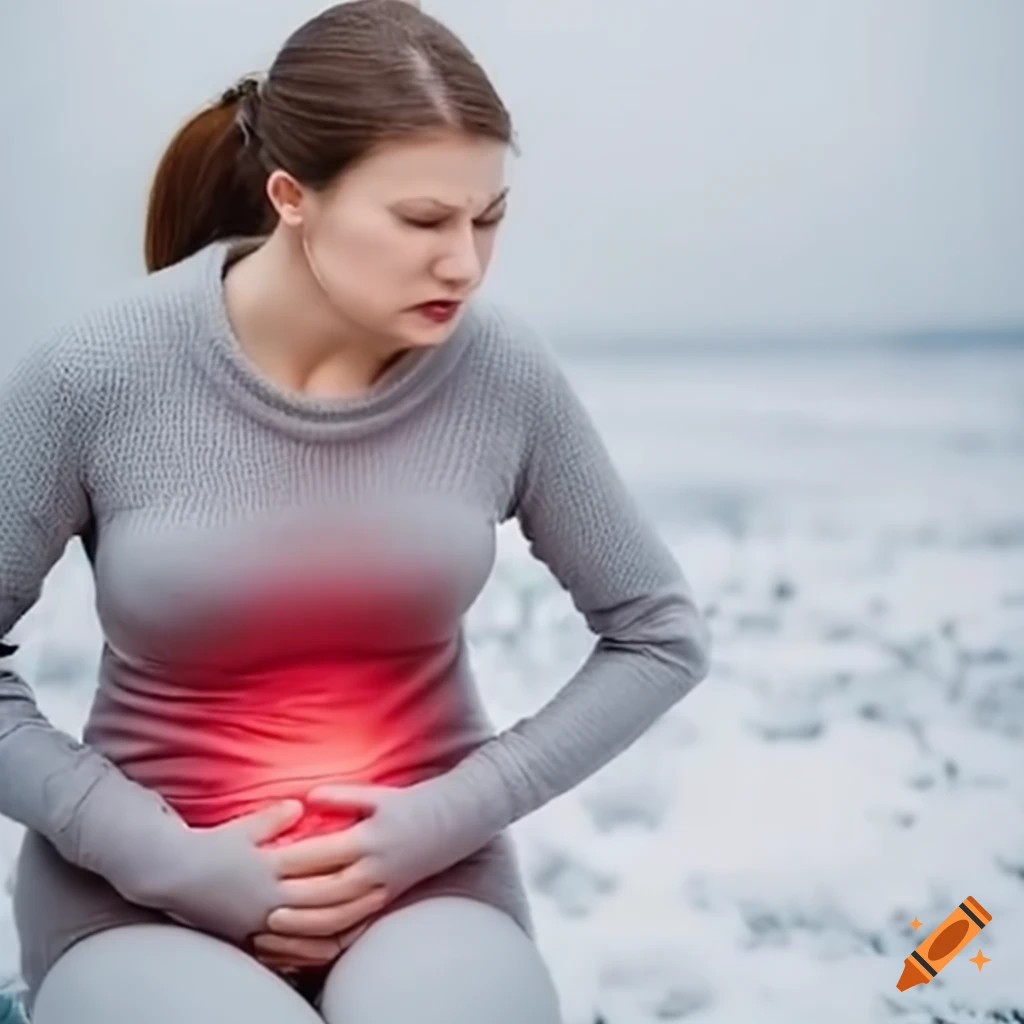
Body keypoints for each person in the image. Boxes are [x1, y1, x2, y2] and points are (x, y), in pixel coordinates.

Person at [0, 1, 712, 1021]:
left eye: (487, 216)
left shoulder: (501, 371)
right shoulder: (96, 372)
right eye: (423, 220)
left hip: (427, 890)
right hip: (135, 904)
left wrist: (437, 820)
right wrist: (157, 853)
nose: (462, 261)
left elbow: (659, 635)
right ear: (294, 197)